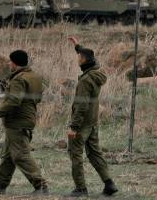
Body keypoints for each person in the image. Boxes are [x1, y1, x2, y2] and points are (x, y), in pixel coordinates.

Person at [0, 50, 48, 195]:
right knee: (8, 157)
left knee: (20, 155)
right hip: (27, 119)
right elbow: (38, 98)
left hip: (18, 122)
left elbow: (14, 101)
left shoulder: (18, 79)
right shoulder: (34, 77)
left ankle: (40, 186)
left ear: (16, 63)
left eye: (10, 61)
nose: (9, 64)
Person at [65, 36, 118, 197]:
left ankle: (80, 188)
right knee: (94, 153)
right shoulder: (98, 71)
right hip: (93, 120)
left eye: (79, 57)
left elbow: (81, 106)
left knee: (75, 153)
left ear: (83, 60)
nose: (77, 59)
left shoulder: (85, 81)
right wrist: (78, 46)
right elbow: (93, 59)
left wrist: (74, 127)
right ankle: (109, 183)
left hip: (82, 123)